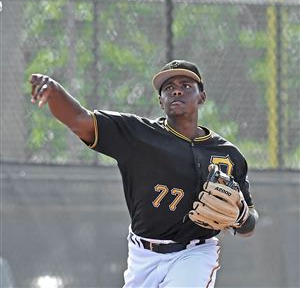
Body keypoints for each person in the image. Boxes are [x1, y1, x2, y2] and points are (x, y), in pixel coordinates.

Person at [30, 60, 258, 288]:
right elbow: (80, 120)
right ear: (161, 101)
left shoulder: (228, 155)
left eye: (187, 85)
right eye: (168, 88)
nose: (176, 90)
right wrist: (55, 91)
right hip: (143, 256)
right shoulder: (138, 135)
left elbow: (250, 224)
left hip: (195, 254)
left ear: (202, 96)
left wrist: (242, 217)